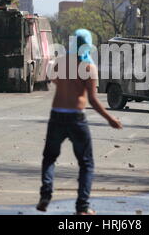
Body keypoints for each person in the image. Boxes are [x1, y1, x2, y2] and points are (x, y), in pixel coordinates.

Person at [36, 29, 122, 215]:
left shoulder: (61, 62)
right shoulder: (89, 67)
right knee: (86, 164)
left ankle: (45, 195)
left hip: (57, 114)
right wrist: (111, 119)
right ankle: (82, 207)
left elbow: (55, 79)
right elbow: (92, 99)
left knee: (50, 158)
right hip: (76, 117)